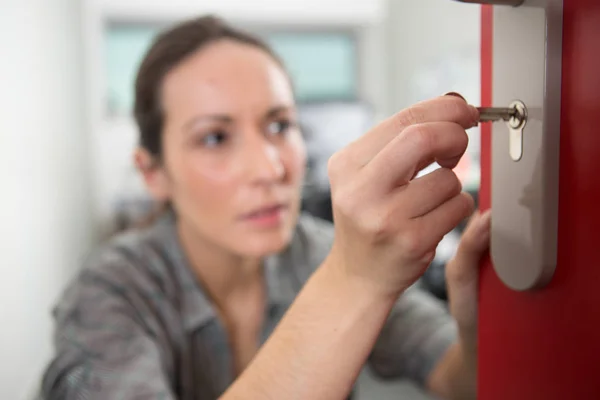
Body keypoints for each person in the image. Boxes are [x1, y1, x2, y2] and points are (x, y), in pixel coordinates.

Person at [39, 15, 491, 400]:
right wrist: (353, 279)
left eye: (279, 126)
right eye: (214, 137)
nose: (270, 167)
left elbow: (457, 379)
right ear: (153, 172)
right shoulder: (109, 294)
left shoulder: (317, 251)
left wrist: (477, 324)